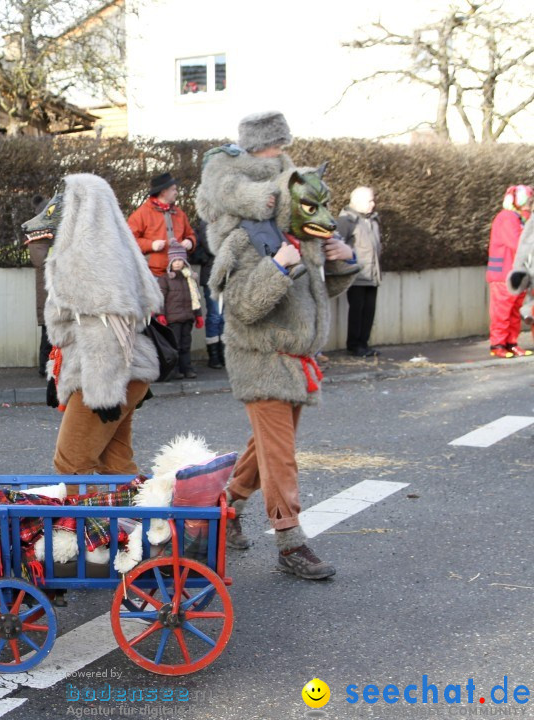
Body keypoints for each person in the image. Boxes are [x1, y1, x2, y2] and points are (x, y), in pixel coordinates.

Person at [196, 110, 359, 580]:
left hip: (295, 359)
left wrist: (341, 262)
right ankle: (290, 542)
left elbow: (318, 293)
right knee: (279, 453)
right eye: (273, 149)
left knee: (265, 447)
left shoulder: (295, 229)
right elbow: (244, 306)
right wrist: (281, 267)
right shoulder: (243, 237)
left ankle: (221, 512)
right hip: (260, 358)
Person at [22, 173, 161, 476]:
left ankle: (82, 525)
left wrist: (103, 392)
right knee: (115, 464)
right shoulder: (113, 249)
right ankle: (137, 523)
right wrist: (55, 374)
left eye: (64, 203)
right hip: (123, 370)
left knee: (71, 462)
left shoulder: (87, 257)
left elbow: (103, 326)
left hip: (106, 374)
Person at [486, 185, 533, 358]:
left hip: (517, 275)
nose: (530, 205)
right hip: (503, 275)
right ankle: (497, 345)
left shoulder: (519, 218)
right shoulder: (506, 218)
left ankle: (511, 343)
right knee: (502, 312)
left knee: (514, 312)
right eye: (528, 201)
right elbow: (518, 243)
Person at [336, 186, 383, 357]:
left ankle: (364, 344)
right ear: (358, 201)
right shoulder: (346, 220)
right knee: (357, 310)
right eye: (369, 200)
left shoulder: (373, 220)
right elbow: (337, 244)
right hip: (357, 275)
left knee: (369, 310)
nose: (373, 204)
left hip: (372, 274)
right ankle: (354, 345)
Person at [127, 172, 196, 278]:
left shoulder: (179, 214)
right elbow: (129, 240)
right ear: (163, 192)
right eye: (173, 189)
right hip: (153, 275)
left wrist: (190, 242)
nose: (176, 192)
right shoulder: (141, 214)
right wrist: (151, 245)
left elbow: (190, 234)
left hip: (179, 274)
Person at [156, 244, 204, 379]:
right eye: (174, 260)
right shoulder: (165, 279)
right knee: (174, 345)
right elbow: (160, 298)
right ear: (170, 262)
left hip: (187, 317)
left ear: (184, 261)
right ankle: (174, 370)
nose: (177, 263)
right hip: (173, 319)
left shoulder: (189, 278)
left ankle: (186, 368)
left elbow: (195, 298)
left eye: (180, 260)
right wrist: (161, 314)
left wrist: (198, 315)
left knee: (186, 344)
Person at [188, 219, 225, 369]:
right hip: (211, 275)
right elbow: (212, 247)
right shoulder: (205, 224)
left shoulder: (226, 220)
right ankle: (214, 356)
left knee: (224, 317)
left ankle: (223, 353)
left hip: (225, 275)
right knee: (215, 316)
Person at [25, 194, 53, 376]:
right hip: (48, 289)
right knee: (48, 330)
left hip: (54, 288)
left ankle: (51, 367)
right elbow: (40, 259)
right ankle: (44, 367)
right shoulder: (37, 233)